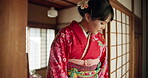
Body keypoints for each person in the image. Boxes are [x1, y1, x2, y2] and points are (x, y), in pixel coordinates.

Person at [46, 0, 114, 78]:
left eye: (106, 23)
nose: (103, 27)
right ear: (88, 17)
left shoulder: (100, 38)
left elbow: (103, 64)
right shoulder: (65, 35)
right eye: (102, 23)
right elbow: (56, 64)